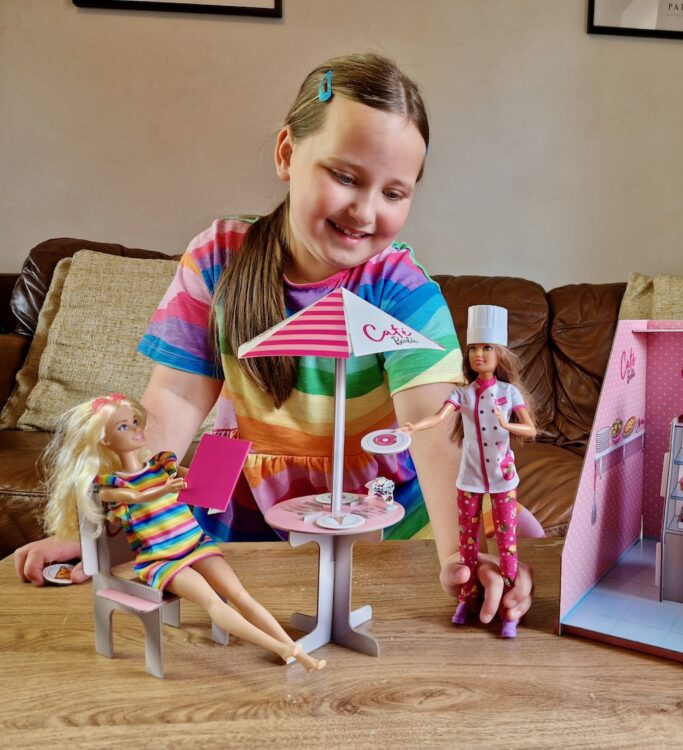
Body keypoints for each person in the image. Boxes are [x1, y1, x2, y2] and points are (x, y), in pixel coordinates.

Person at [15, 52, 535, 627]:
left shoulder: (402, 287)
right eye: (345, 177)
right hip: (237, 487)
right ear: (287, 154)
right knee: (177, 587)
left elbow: (437, 432)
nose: (365, 211)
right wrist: (102, 533)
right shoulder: (219, 257)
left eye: (395, 193)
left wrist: (459, 555)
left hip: (370, 504)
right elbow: (177, 401)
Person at [43, 393, 325, 671]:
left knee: (241, 595)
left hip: (196, 544)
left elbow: (196, 478)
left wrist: (217, 470)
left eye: (135, 422)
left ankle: (289, 645)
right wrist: (165, 489)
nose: (135, 429)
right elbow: (135, 499)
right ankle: (284, 649)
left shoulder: (161, 465)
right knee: (211, 602)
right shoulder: (112, 485)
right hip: (163, 561)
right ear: (105, 441)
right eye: (123, 427)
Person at [400, 305, 536, 638]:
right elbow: (439, 417)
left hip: (503, 479)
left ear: (499, 354)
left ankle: (509, 609)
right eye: (474, 348)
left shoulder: (509, 393)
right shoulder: (463, 393)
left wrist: (509, 425)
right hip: (470, 479)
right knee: (467, 546)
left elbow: (530, 429)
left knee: (507, 544)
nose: (479, 354)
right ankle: (465, 598)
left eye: (486, 348)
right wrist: (414, 427)